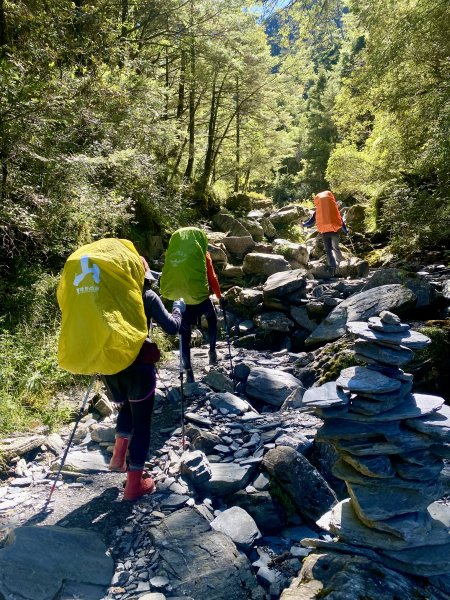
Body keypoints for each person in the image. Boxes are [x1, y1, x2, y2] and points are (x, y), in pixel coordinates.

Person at [104, 263, 185, 501]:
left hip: (111, 368)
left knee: (126, 407)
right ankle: (133, 486)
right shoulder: (147, 295)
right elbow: (172, 327)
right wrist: (179, 309)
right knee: (142, 426)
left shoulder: (110, 296)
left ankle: (118, 458)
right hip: (139, 367)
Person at [159, 227, 222, 384]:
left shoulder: (173, 255)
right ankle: (212, 352)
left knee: (184, 336)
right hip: (200, 299)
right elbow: (212, 278)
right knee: (212, 320)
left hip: (181, 302)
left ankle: (188, 371)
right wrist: (220, 297)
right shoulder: (202, 255)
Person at [302, 190, 348, 275]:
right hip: (335, 230)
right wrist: (346, 230)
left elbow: (311, 222)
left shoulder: (319, 210)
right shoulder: (334, 207)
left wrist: (303, 224)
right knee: (336, 248)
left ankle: (333, 268)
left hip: (325, 232)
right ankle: (342, 265)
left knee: (328, 250)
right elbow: (340, 220)